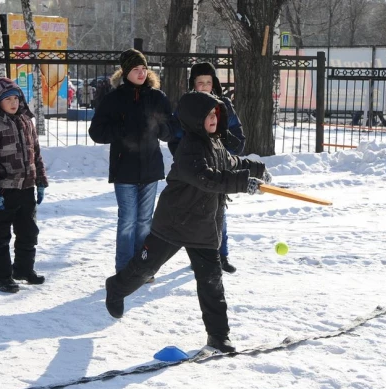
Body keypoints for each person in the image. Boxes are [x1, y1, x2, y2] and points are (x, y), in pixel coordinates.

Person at [104, 91, 272, 353]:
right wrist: (243, 183)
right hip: (173, 223)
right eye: (207, 114)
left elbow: (231, 162)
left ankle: (218, 335)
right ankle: (116, 287)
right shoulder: (189, 149)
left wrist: (256, 169)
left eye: (216, 113)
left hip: (204, 225)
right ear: (195, 119)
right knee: (145, 269)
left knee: (211, 283)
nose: (213, 118)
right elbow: (208, 178)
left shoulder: (215, 143)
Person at [89, 49, 173, 275]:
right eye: (136, 69)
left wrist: (159, 128)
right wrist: (122, 129)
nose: (141, 73)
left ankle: (143, 269)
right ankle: (124, 270)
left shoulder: (157, 97)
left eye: (144, 69)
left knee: (145, 221)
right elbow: (96, 132)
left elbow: (172, 129)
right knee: (127, 221)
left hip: (151, 168)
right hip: (123, 169)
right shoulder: (113, 99)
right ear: (125, 72)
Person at [169, 62, 246, 274]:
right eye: (200, 82)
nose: (204, 86)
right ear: (193, 84)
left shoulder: (224, 107)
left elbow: (239, 142)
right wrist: (186, 159)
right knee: (194, 215)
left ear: (214, 84)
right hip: (194, 171)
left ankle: (221, 255)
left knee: (219, 213)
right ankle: (199, 256)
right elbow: (174, 139)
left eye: (208, 82)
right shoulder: (185, 107)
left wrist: (222, 136)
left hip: (220, 170)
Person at [0, 77, 49, 293]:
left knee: (28, 232)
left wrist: (40, 181)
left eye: (16, 98)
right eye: (7, 99)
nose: (13, 103)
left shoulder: (27, 121)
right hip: (4, 190)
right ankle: (2, 277)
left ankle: (23, 270)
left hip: (26, 189)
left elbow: (36, 153)